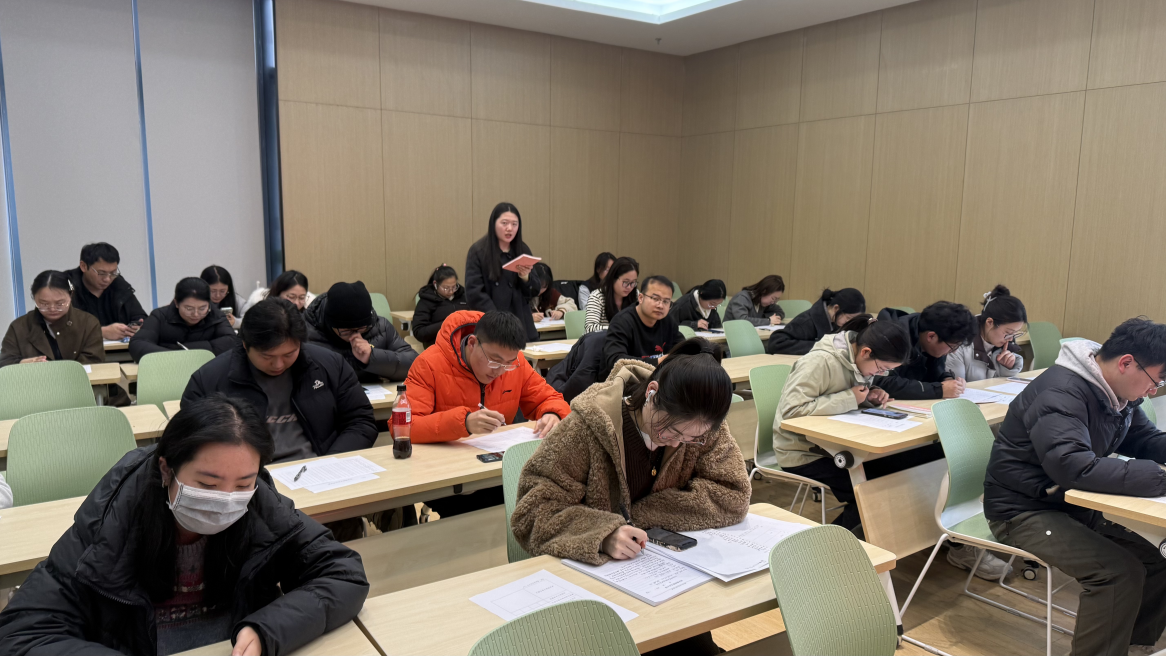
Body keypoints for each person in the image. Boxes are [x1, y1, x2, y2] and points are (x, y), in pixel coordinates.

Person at [0, 394, 369, 655]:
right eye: (207, 485)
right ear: (166, 469)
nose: (227, 499)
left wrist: (268, 630)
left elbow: (343, 574)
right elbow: (21, 633)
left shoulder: (262, 508)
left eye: (243, 484)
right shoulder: (111, 525)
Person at [512, 338, 750, 656]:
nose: (677, 444)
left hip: (668, 584)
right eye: (670, 431)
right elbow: (532, 512)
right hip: (595, 594)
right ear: (651, 393)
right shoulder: (588, 426)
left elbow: (732, 493)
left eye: (691, 438)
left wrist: (642, 516)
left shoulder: (699, 424)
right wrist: (603, 533)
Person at [985, 319, 1166, 656]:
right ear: (1127, 363)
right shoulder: (1061, 392)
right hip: (1022, 510)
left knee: (1159, 556)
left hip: (1069, 503)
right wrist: (1159, 478)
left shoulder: (1116, 392)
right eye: (1157, 380)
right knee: (1117, 573)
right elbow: (1073, 467)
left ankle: (1133, 646)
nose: (1154, 391)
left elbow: (1144, 438)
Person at [404, 310, 571, 518]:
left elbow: (550, 398)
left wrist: (553, 413)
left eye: (508, 363)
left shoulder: (515, 363)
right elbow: (404, 427)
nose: (499, 371)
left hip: (496, 468)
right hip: (447, 475)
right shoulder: (429, 364)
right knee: (476, 516)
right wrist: (463, 422)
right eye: (494, 361)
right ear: (472, 343)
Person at [182, 297, 376, 464]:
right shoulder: (209, 379)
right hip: (249, 477)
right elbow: (190, 441)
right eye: (267, 356)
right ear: (245, 344)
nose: (278, 364)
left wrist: (331, 462)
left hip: (318, 467)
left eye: (289, 354)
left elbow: (361, 421)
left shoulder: (329, 365)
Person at [774, 316, 910, 531]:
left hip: (838, 446)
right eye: (881, 368)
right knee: (869, 492)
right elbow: (791, 412)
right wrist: (850, 398)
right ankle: (834, 547)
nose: (881, 374)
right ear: (865, 352)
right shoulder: (819, 362)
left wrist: (869, 396)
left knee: (895, 478)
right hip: (802, 451)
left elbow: (842, 396)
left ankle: (854, 541)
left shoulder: (857, 359)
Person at [304, 280, 417, 383]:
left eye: (361, 329)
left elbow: (415, 365)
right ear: (330, 325)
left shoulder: (380, 327)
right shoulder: (308, 331)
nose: (355, 336)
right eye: (346, 331)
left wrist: (372, 357)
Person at [465, 202, 541, 342]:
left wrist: (525, 277)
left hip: (522, 324)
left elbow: (535, 289)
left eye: (514, 224)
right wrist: (498, 321)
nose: (509, 228)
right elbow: (474, 294)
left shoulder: (522, 249)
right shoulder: (478, 251)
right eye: (504, 223)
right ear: (493, 224)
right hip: (492, 326)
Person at [874, 301, 977, 400]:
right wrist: (939, 390)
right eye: (953, 347)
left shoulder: (936, 334)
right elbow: (883, 382)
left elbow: (934, 373)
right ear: (931, 336)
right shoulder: (892, 337)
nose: (954, 352)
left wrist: (946, 379)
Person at [1, 270, 103, 367]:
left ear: (71, 295)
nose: (52, 309)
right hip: (35, 379)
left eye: (60, 303)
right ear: (34, 298)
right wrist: (23, 364)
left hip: (79, 378)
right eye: (44, 304)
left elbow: (94, 360)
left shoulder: (88, 323)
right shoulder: (19, 327)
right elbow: (5, 362)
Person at [130, 278, 237, 362]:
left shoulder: (216, 316)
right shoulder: (160, 316)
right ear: (176, 303)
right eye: (189, 308)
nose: (196, 314)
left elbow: (231, 342)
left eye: (202, 308)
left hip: (205, 373)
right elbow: (138, 344)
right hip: (167, 372)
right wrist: (177, 357)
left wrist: (179, 350)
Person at [601, 275, 686, 380]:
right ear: (641, 298)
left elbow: (684, 348)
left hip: (656, 380)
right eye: (655, 299)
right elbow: (615, 361)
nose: (660, 305)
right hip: (624, 382)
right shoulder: (622, 322)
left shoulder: (668, 321)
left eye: (666, 301)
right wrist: (657, 362)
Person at [66, 242, 148, 342]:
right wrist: (101, 332)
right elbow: (57, 329)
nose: (107, 279)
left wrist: (137, 326)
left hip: (119, 349)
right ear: (83, 266)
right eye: (101, 273)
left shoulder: (119, 285)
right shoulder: (63, 287)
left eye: (113, 273)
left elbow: (139, 317)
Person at [946, 285, 1027, 382]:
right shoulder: (958, 343)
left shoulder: (1003, 346)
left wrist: (1006, 368)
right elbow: (956, 386)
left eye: (1014, 334)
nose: (1010, 339)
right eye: (1008, 333)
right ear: (989, 322)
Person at [767, 288, 865, 356]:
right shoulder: (806, 322)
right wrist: (821, 346)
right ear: (836, 308)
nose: (849, 323)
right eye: (848, 318)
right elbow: (776, 343)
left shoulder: (836, 321)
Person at [413, 265, 469, 348]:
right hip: (439, 346)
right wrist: (446, 324)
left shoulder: (464, 296)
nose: (451, 291)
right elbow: (419, 332)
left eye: (454, 287)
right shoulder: (426, 301)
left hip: (464, 343)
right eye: (446, 288)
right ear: (435, 284)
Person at [583, 256, 639, 333]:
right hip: (604, 339)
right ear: (613, 278)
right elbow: (590, 328)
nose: (629, 287)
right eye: (625, 282)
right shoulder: (597, 296)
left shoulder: (636, 295)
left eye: (633, 282)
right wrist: (620, 328)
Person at [241, 270, 314, 315]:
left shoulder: (310, 313)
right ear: (278, 293)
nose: (297, 303)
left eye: (302, 298)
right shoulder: (262, 312)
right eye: (291, 297)